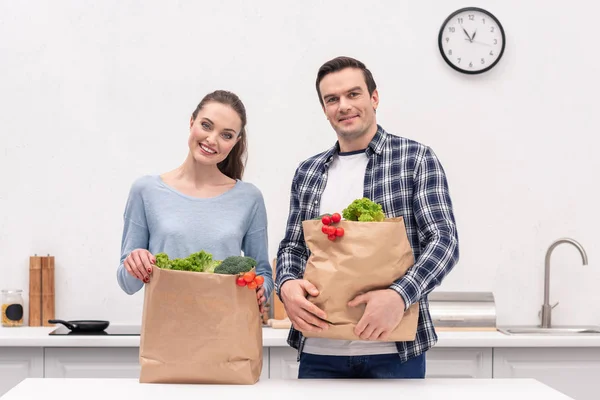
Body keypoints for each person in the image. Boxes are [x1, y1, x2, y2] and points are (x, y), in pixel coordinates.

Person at [275, 56, 459, 379]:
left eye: (353, 94)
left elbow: (444, 242)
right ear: (324, 109)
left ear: (374, 98)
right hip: (320, 349)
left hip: (394, 350)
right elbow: (292, 247)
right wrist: (287, 285)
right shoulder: (308, 172)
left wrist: (399, 296)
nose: (343, 105)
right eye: (332, 99)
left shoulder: (415, 159)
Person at [117, 90, 273, 312]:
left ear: (235, 142)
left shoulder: (250, 198)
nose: (212, 140)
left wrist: (260, 290)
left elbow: (263, 273)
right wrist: (135, 263)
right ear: (192, 122)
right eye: (206, 125)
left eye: (226, 135)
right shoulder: (146, 191)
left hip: (227, 331)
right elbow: (127, 284)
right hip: (166, 333)